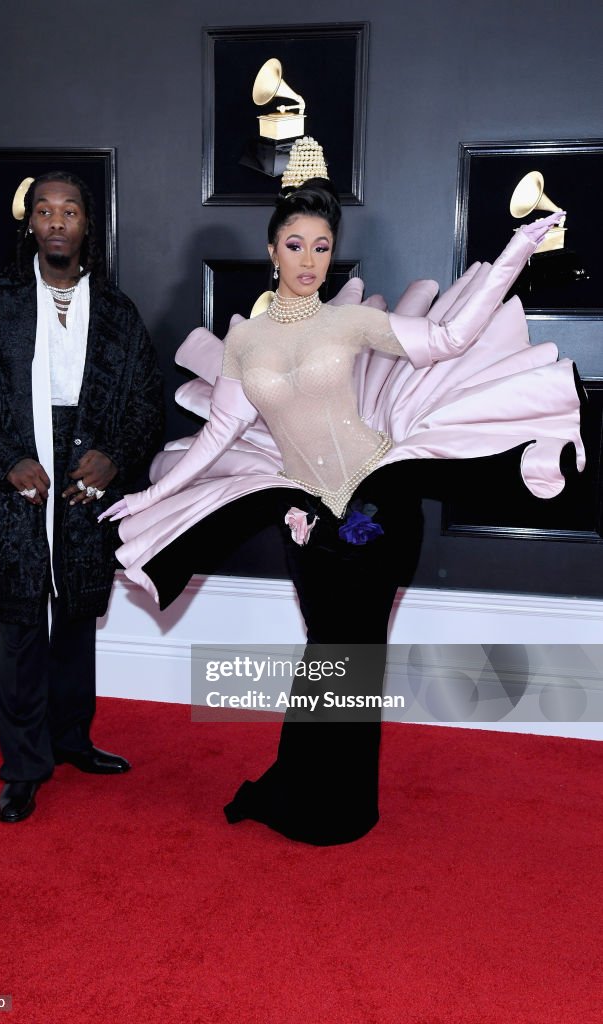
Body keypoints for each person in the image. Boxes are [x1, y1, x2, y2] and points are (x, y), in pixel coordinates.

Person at [101, 140, 583, 845]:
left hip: (380, 507)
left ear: (331, 255)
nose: (307, 258)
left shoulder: (350, 323)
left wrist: (512, 251)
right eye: (294, 243)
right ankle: (315, 795)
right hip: (306, 518)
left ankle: (340, 804)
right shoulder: (249, 344)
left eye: (321, 246)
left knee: (355, 651)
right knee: (331, 650)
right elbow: (217, 436)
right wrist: (149, 499)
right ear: (272, 249)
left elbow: (447, 336)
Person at [0, 171, 163, 823]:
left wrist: (112, 454)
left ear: (88, 226)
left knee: (77, 618)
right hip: (17, 475)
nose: (57, 220)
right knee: (25, 621)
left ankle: (72, 741)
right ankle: (24, 767)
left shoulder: (117, 313)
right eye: (45, 210)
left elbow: (147, 401)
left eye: (69, 210)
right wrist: (8, 459)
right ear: (29, 224)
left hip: (86, 473)